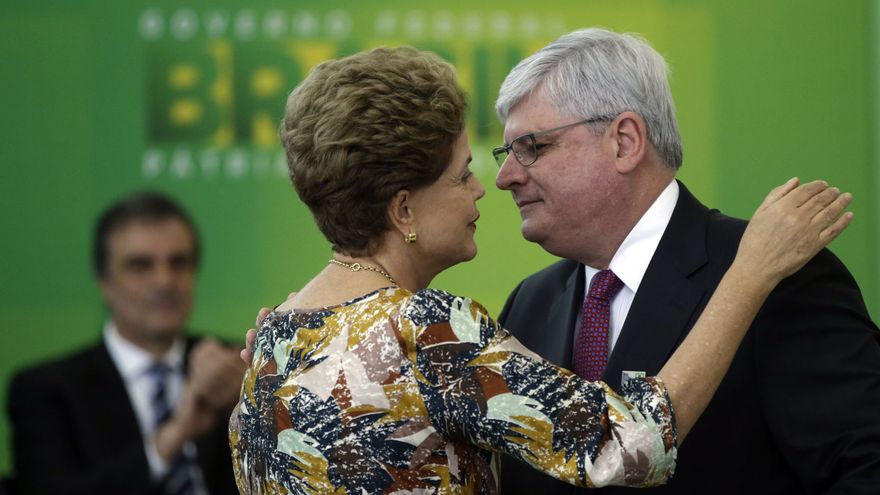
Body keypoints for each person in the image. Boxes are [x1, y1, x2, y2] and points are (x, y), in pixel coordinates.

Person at [228, 46, 851, 494]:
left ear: (625, 141)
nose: (490, 185)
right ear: (403, 209)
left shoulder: (276, 345)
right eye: (462, 174)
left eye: (530, 148)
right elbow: (623, 445)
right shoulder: (432, 330)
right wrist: (748, 275)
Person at [492, 28, 880, 494]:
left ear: (624, 142)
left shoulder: (777, 270)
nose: (504, 177)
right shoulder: (529, 304)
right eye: (507, 153)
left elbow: (864, 467)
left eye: (531, 148)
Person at [7, 192, 244, 495]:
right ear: (103, 280)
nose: (164, 281)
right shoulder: (46, 390)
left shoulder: (236, 368)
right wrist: (172, 438)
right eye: (140, 266)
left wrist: (252, 408)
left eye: (178, 263)